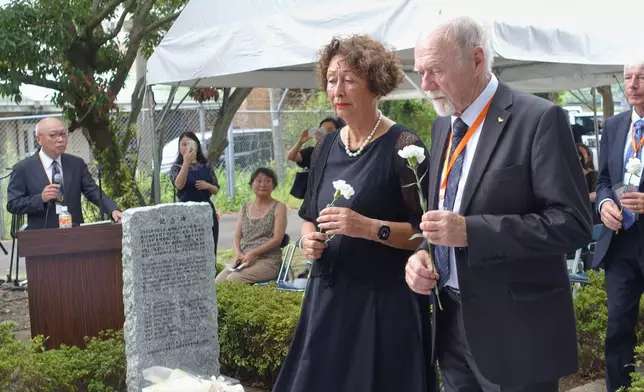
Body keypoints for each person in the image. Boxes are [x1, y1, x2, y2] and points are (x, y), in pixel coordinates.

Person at [405, 17, 592, 392]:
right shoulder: (443, 125)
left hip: (517, 336)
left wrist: (471, 232)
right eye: (421, 72)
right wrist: (425, 254)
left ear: (477, 60)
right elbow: (450, 209)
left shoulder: (539, 119)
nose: (425, 85)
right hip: (451, 323)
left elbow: (572, 223)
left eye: (435, 71)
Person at [273, 35, 437, 392]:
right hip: (329, 300)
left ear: (375, 84)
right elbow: (309, 215)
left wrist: (367, 227)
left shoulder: (405, 147)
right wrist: (307, 240)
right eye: (332, 79)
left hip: (384, 305)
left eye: (349, 79)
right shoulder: (326, 146)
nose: (337, 89)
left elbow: (424, 234)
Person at [592, 60, 644, 392]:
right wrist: (604, 203)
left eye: (641, 77)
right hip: (621, 241)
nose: (633, 83)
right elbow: (605, 179)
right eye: (628, 77)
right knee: (618, 328)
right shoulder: (613, 126)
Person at [6, 117, 122, 229]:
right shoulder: (23, 168)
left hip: (74, 232)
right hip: (41, 237)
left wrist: (112, 210)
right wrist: (40, 198)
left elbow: (92, 190)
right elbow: (13, 204)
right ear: (38, 139)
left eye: (63, 134)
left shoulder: (76, 164)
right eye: (53, 135)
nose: (60, 139)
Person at [215, 167, 287, 284]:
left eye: (268, 181)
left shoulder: (279, 207)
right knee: (219, 281)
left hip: (268, 260)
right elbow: (237, 236)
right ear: (251, 184)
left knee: (233, 279)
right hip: (243, 258)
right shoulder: (245, 207)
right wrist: (238, 253)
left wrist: (253, 253)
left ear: (274, 185)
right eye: (258, 181)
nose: (263, 184)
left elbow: (277, 240)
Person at [170, 131, 220, 252]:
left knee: (210, 248)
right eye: (183, 144)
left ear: (196, 145)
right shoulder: (176, 167)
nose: (187, 147)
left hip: (206, 210)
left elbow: (216, 189)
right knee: (189, 250)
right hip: (186, 212)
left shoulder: (205, 165)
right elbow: (179, 185)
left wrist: (208, 186)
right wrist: (186, 163)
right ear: (179, 147)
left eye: (190, 144)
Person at [287, 117, 343, 199]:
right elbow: (292, 156)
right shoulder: (313, 152)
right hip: (314, 197)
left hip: (335, 196)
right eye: (322, 130)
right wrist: (300, 141)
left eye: (330, 130)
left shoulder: (344, 151)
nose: (326, 133)